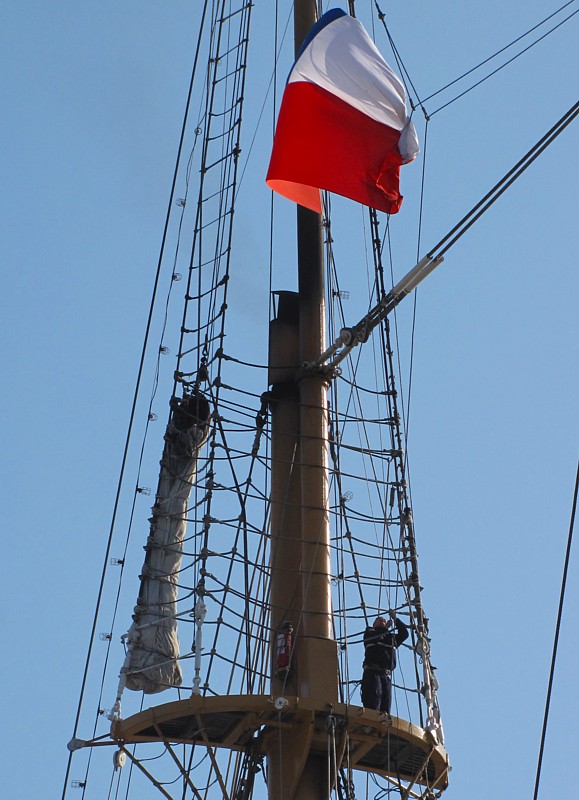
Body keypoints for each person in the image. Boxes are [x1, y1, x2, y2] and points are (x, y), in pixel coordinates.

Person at [361, 610, 409, 715]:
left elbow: (404, 634)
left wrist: (396, 619)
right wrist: (385, 628)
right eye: (378, 619)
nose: (382, 619)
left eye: (383, 619)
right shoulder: (369, 633)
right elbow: (376, 636)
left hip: (386, 675)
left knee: (385, 708)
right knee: (373, 703)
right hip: (372, 672)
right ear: (374, 625)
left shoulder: (390, 638)